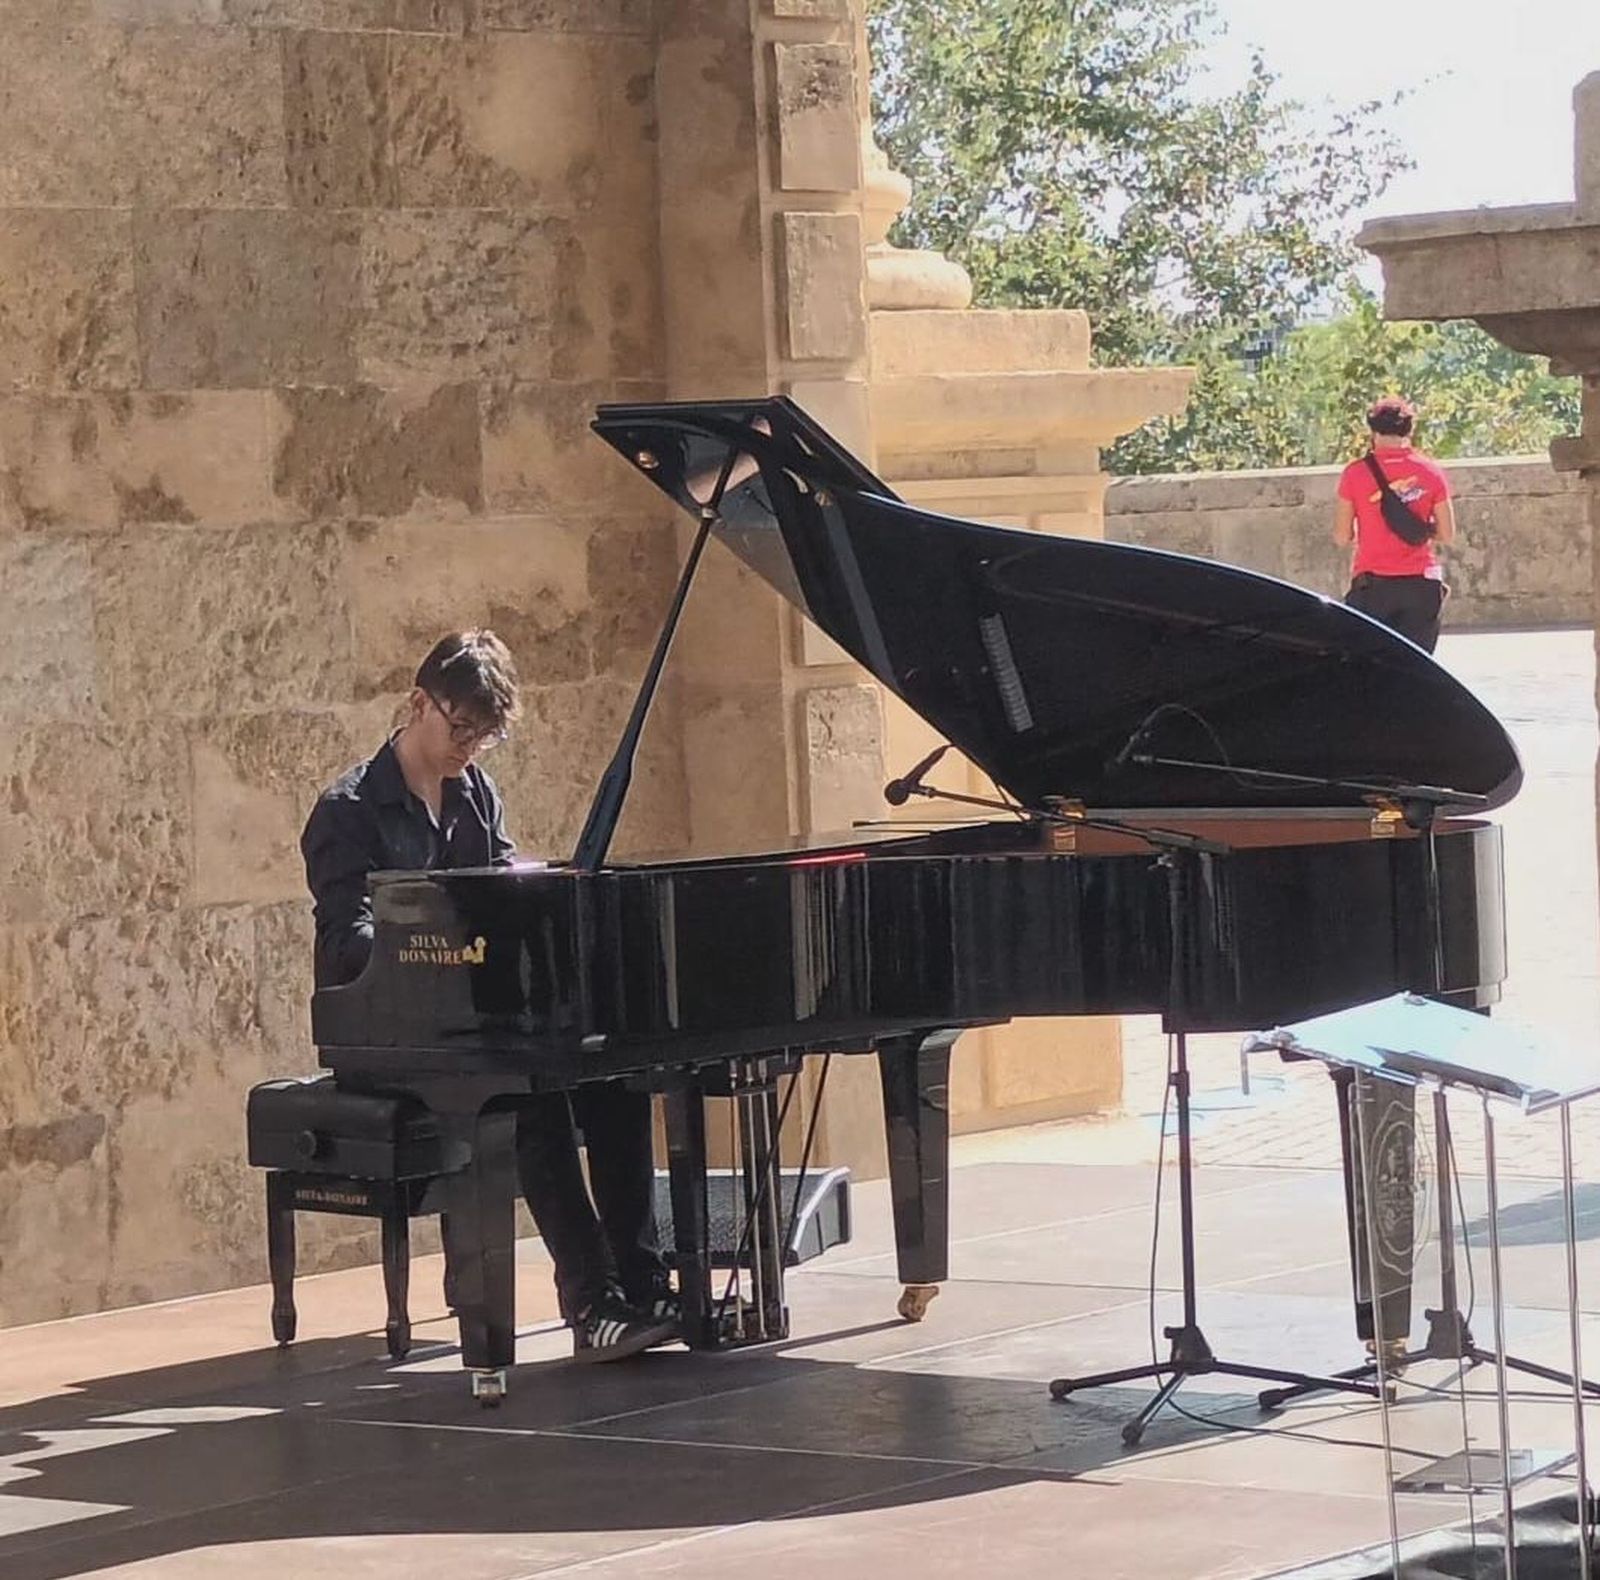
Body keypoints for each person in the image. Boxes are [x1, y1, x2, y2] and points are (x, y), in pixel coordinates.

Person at [300, 629, 679, 1363]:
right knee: (527, 1097)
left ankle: (644, 1278)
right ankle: (592, 1301)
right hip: (388, 1036)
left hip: (470, 1026)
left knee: (616, 1078)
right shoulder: (346, 811)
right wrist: (434, 943)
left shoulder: (474, 792)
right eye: (463, 726)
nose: (470, 747)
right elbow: (349, 940)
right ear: (418, 704)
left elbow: (502, 884)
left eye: (487, 734)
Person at [1333, 396, 1456, 654]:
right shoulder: (1431, 472)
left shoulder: (1355, 474)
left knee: (1370, 666)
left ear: (1374, 431)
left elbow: (1342, 536)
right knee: (1417, 668)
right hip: (1421, 586)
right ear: (1410, 431)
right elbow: (1447, 534)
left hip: (1373, 587)